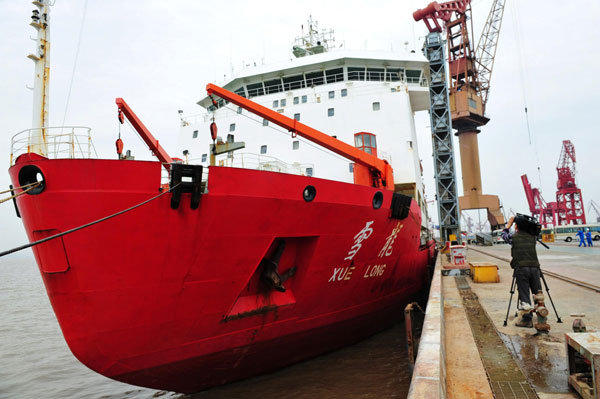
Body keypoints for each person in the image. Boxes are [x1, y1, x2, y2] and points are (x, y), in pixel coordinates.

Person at [502, 215, 542, 328]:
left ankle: (527, 319)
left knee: (524, 294)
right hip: (535, 268)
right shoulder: (533, 237)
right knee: (537, 292)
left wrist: (508, 224)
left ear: (517, 226)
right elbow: (536, 230)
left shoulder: (513, 237)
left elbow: (503, 235)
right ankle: (541, 316)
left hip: (521, 269)